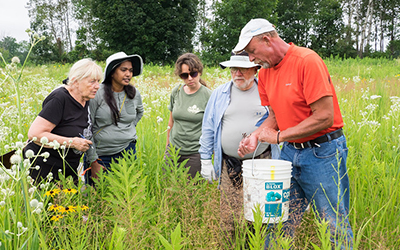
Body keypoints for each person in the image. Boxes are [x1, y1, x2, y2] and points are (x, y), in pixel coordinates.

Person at [233, 18, 353, 248]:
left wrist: (279, 137)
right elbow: (276, 116)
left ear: (267, 40)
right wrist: (256, 135)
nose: (250, 59)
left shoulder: (306, 61)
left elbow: (324, 116)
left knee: (332, 223)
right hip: (289, 155)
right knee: (278, 220)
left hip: (322, 153)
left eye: (251, 51)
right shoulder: (266, 72)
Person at [199, 51, 280, 243]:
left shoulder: (267, 91)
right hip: (229, 165)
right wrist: (204, 159)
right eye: (233, 69)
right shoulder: (220, 94)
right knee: (229, 216)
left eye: (243, 69)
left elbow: (279, 121)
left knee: (260, 214)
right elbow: (209, 128)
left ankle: (256, 245)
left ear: (255, 69)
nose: (237, 73)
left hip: (262, 162)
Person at [26, 58, 102, 183]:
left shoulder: (86, 99)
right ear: (75, 81)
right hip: (44, 169)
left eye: (98, 81)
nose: (97, 86)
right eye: (92, 81)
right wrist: (72, 142)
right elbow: (35, 134)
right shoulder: (60, 98)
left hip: (68, 169)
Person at [84, 52, 144, 183]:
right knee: (97, 195)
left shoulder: (134, 93)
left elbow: (140, 112)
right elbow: (87, 127)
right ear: (112, 72)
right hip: (101, 155)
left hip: (127, 152)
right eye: (123, 70)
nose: (128, 74)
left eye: (131, 70)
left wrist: (128, 128)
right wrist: (93, 160)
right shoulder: (97, 93)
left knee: (125, 192)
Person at [165, 53, 212, 179]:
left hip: (195, 153)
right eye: (184, 75)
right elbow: (171, 122)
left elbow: (211, 128)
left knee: (192, 192)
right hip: (173, 151)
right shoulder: (176, 91)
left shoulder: (209, 96)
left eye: (193, 73)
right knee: (168, 187)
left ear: (200, 72)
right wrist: (168, 146)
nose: (190, 78)